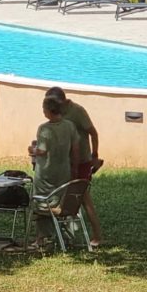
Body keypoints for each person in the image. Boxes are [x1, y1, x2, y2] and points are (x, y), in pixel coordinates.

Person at [44, 86, 104, 247]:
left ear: (62, 101)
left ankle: (97, 235)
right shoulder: (57, 113)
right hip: (64, 163)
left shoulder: (77, 111)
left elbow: (93, 133)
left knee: (83, 198)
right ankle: (63, 236)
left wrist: (95, 155)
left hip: (81, 162)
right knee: (60, 197)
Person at [28, 95, 81, 246]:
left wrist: (32, 149)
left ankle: (41, 237)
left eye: (44, 109)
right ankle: (65, 235)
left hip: (45, 174)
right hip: (64, 172)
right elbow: (75, 148)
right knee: (61, 201)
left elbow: (42, 151)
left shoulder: (44, 129)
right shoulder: (69, 126)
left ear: (49, 111)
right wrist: (75, 168)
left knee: (40, 202)